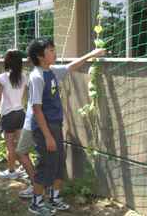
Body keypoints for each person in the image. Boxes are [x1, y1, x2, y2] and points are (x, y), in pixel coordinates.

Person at [27, 38, 106, 215]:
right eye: (51, 50)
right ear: (40, 56)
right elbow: (37, 110)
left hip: (55, 125)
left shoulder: (52, 71)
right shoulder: (37, 77)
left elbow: (72, 66)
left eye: (54, 49)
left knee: (58, 162)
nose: (55, 52)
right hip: (44, 128)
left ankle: (54, 199)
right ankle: (36, 203)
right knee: (45, 164)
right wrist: (47, 136)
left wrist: (91, 54)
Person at [0, 49, 27, 179]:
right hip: (20, 113)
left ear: (7, 62)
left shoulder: (3, 77)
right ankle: (24, 168)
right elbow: (23, 96)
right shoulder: (24, 76)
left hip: (8, 115)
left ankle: (11, 171)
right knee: (19, 144)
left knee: (10, 145)